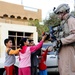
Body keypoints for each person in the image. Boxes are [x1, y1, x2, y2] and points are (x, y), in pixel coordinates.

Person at [53, 4, 75, 75]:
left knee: (67, 70)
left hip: (68, 48)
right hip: (63, 49)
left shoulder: (71, 20)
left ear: (63, 12)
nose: (58, 16)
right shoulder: (63, 22)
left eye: (59, 13)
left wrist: (62, 41)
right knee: (62, 70)